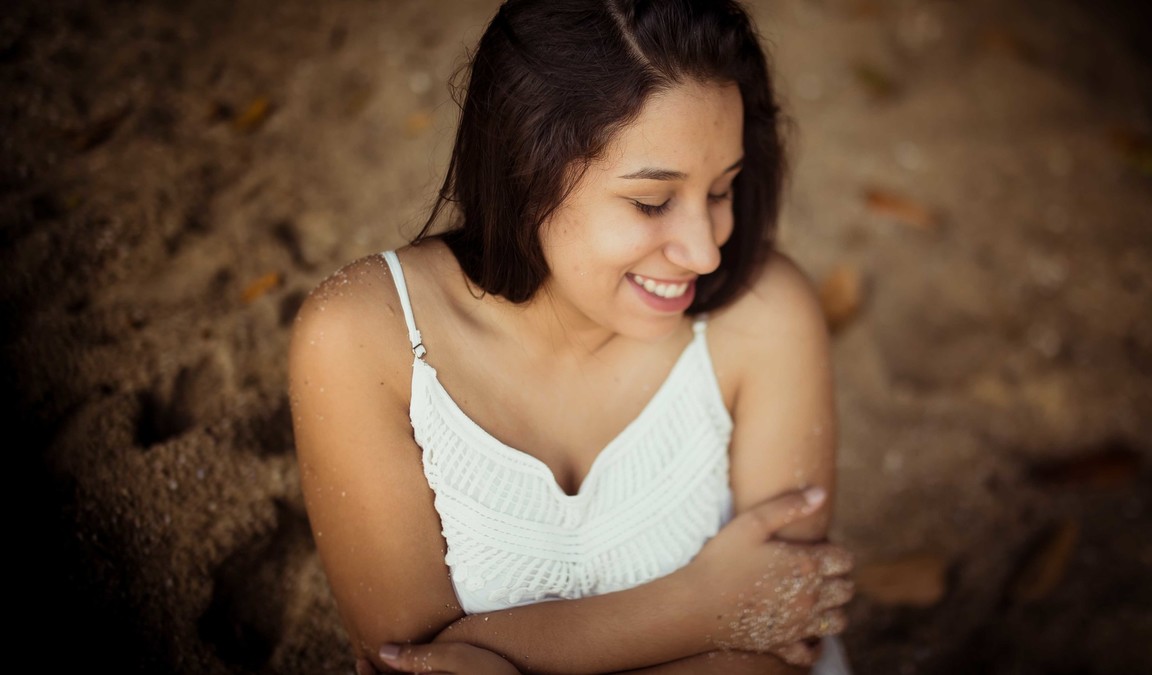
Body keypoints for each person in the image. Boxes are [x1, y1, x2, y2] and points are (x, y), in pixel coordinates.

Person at [288, 0, 855, 672]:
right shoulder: (362, 339)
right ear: (526, 173)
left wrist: (503, 656)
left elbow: (780, 649)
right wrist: (705, 606)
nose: (706, 253)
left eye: (721, 190)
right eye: (651, 202)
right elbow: (402, 659)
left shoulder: (767, 311)